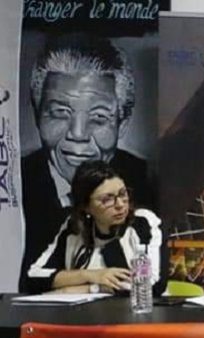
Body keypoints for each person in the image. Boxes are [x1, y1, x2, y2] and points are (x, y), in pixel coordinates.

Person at [20, 34, 153, 292]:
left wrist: (84, 286)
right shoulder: (15, 185)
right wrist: (91, 277)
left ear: (123, 123)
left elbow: (147, 286)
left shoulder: (149, 185)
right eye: (60, 113)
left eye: (98, 117)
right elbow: (32, 277)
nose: (78, 135)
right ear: (37, 115)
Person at [24, 160, 165, 295]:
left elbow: (153, 285)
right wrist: (90, 275)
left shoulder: (142, 222)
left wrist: (92, 288)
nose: (120, 204)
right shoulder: (74, 227)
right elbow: (33, 277)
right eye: (107, 199)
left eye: (123, 194)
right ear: (86, 206)